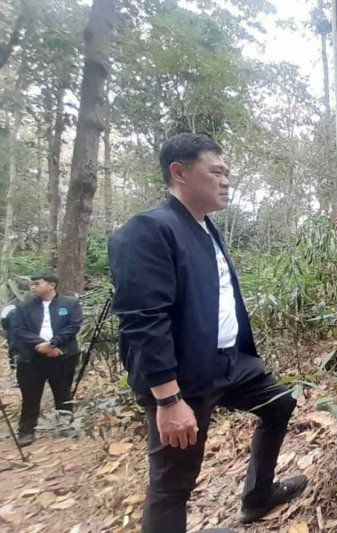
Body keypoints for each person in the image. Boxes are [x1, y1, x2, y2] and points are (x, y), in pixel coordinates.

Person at [108, 133, 307, 533]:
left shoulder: (206, 228)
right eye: (215, 171)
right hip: (180, 378)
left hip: (228, 364)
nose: (226, 180)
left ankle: (258, 496)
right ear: (179, 172)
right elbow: (144, 319)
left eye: (227, 173)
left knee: (279, 404)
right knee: (172, 484)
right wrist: (168, 399)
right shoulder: (150, 229)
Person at [11, 274, 83, 447]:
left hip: (62, 355)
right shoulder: (23, 307)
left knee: (63, 391)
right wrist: (40, 345)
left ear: (52, 285)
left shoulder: (70, 304)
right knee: (30, 395)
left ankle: (65, 426)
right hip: (32, 358)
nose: (33, 287)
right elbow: (18, 330)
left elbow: (73, 326)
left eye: (37, 284)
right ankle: (26, 431)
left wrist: (53, 344)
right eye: (31, 284)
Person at [1, 299, 20, 372]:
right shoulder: (22, 309)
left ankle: (13, 367)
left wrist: (7, 331)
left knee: (12, 346)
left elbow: (4, 324)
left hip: (10, 329)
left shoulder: (6, 309)